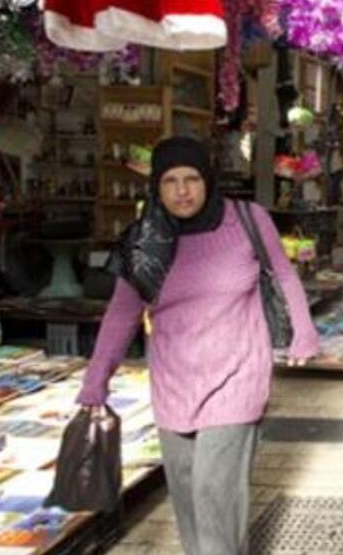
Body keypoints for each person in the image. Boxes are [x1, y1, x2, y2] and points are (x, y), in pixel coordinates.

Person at [75, 137, 319, 555]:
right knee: (189, 503)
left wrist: (304, 331)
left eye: (191, 179)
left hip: (237, 376)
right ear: (156, 186)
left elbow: (284, 274)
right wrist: (96, 378)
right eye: (170, 181)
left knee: (214, 493)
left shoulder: (246, 219)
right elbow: (121, 312)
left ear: (208, 180)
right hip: (173, 381)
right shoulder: (145, 239)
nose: (182, 190)